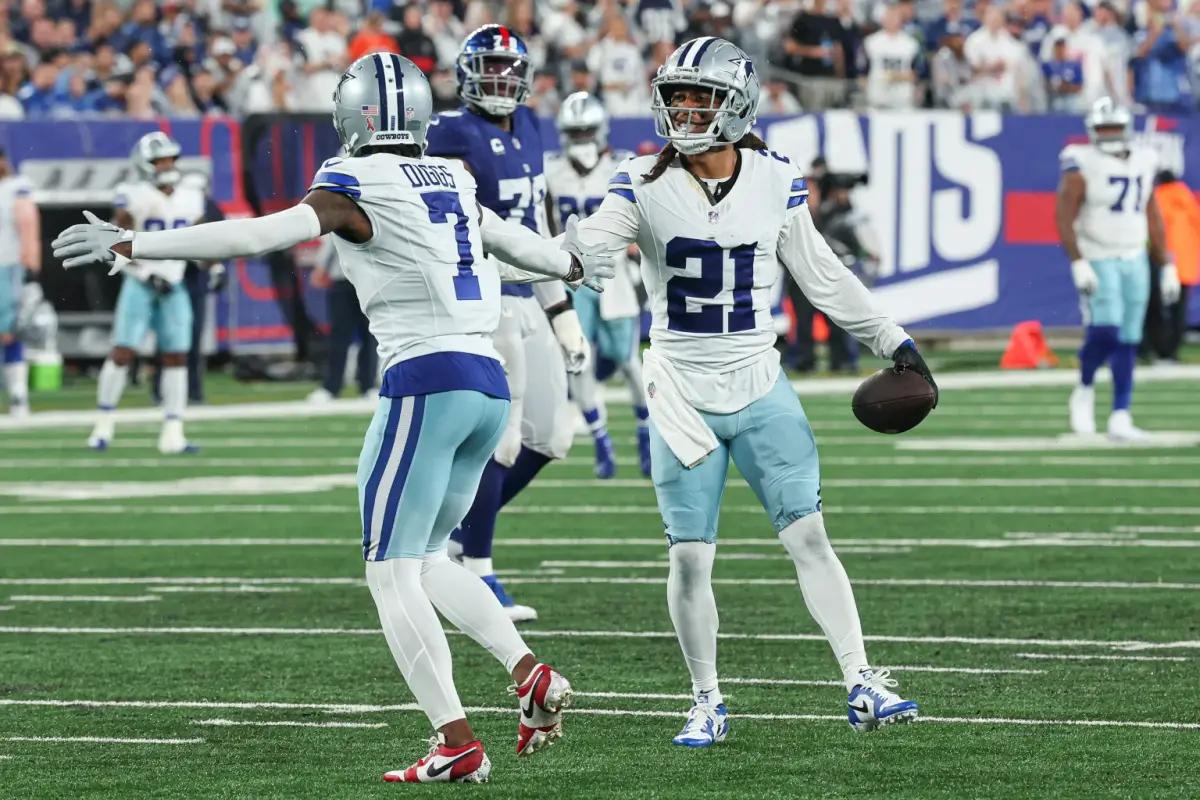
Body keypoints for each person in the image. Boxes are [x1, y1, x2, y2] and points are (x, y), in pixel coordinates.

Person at [53, 53, 616, 784]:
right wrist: (572, 266)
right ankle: (529, 673)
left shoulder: (354, 181)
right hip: (486, 380)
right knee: (426, 558)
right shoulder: (451, 176)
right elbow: (515, 244)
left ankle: (455, 739)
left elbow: (257, 235)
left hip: (427, 377)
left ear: (355, 115)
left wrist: (137, 243)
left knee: (387, 571)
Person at [569, 37, 931, 747]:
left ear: (735, 103)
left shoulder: (774, 178)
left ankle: (861, 680)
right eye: (676, 95)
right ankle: (706, 699)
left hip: (760, 379)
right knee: (690, 556)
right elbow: (593, 245)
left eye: (698, 96)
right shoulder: (639, 181)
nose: (683, 108)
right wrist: (552, 258)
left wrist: (893, 340)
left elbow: (822, 275)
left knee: (811, 537)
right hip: (679, 389)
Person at [429, 25, 590, 623]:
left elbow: (539, 226)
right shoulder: (449, 132)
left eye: (507, 68)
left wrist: (561, 310)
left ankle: (449, 535)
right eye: (487, 67)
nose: (498, 79)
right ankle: (479, 569)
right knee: (503, 438)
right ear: (466, 73)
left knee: (554, 437)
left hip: (529, 292)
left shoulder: (530, 125)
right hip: (484, 296)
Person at [1057, 97, 1180, 441]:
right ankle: (1084, 388)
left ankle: (1120, 414)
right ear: (1092, 131)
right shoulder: (1080, 161)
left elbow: (1152, 212)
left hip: (1134, 256)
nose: (1109, 134)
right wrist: (1078, 261)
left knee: (1129, 338)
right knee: (1106, 330)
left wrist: (1166, 262)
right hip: (1098, 254)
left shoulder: (1145, 159)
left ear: (1126, 129)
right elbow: (1064, 214)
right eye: (1103, 128)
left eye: (1114, 127)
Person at [545, 92, 652, 478]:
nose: (582, 137)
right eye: (575, 131)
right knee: (578, 359)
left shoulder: (621, 164)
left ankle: (644, 434)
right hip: (570, 277)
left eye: (587, 130)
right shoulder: (550, 170)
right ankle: (601, 441)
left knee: (627, 361)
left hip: (614, 274)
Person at [83, 133, 207, 453]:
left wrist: (214, 266)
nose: (166, 165)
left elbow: (200, 236)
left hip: (175, 281)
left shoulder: (191, 194)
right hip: (140, 282)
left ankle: (173, 432)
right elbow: (114, 245)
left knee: (177, 356)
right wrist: (146, 274)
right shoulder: (131, 194)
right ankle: (103, 424)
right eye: (158, 160)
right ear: (144, 165)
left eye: (170, 159)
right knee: (123, 352)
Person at [308, 243, 378, 402]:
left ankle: (368, 384)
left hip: (368, 278)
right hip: (342, 278)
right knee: (339, 335)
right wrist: (322, 267)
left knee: (370, 333)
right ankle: (332, 386)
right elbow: (333, 239)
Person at [0, 147, 39, 419]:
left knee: (9, 332)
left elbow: (28, 224)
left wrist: (31, 265)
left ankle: (18, 395)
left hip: (8, 266)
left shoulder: (17, 186)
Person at [1145, 170, 1200, 362]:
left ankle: (1152, 349)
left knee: (1155, 308)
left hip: (1162, 263)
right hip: (1186, 266)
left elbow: (1151, 231)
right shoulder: (1189, 201)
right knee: (1178, 311)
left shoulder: (1158, 198)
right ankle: (1172, 352)